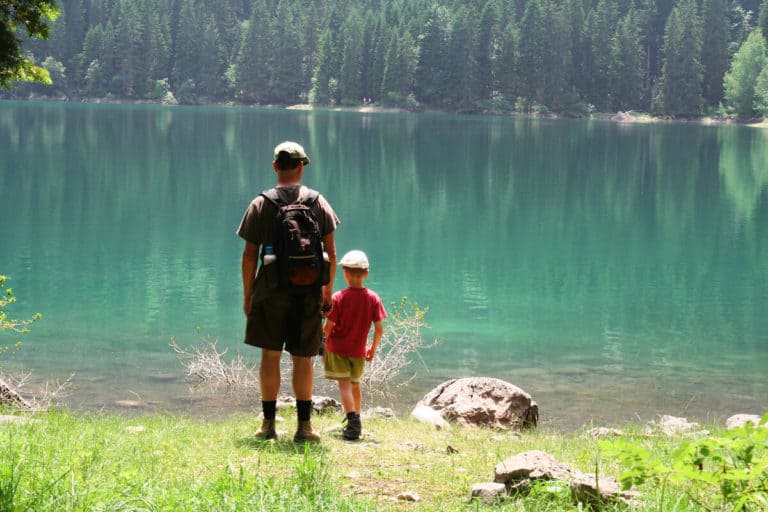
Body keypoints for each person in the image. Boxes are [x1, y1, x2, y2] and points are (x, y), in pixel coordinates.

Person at [237, 141, 339, 443]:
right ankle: (304, 427)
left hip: (269, 292)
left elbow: (248, 255)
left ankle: (268, 425)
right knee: (303, 358)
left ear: (275, 166)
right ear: (301, 166)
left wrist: (248, 295)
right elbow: (331, 253)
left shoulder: (261, 204)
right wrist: (327, 293)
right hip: (307, 292)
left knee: (270, 356)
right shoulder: (318, 202)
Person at [323, 250, 387, 440]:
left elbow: (329, 326)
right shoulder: (373, 298)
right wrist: (372, 349)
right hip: (359, 352)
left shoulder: (338, 297)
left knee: (344, 386)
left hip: (338, 350)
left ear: (345, 273)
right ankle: (357, 417)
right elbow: (379, 329)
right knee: (355, 386)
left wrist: (322, 342)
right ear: (366, 273)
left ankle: (353, 422)